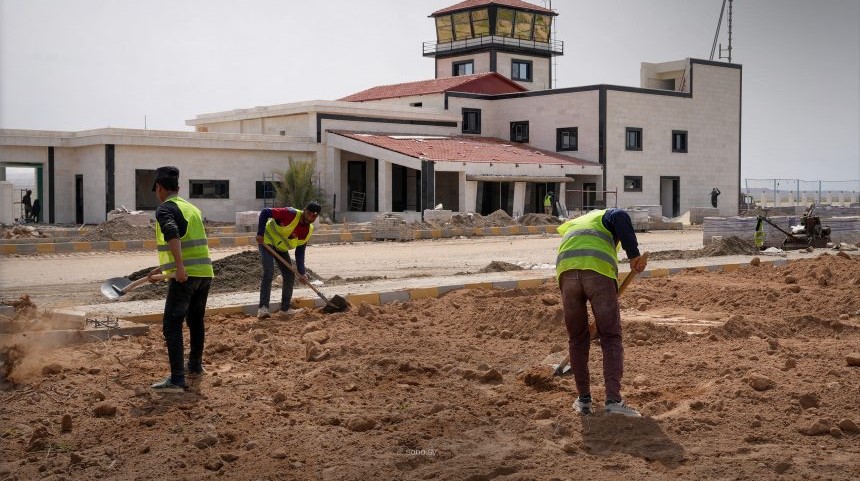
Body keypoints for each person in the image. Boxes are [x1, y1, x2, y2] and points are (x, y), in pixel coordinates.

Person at [556, 208, 647, 417]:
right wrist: (634, 255)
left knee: (577, 338)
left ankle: (584, 401)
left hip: (566, 271)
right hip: (597, 271)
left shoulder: (575, 223)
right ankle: (613, 400)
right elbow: (620, 216)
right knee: (610, 335)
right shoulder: (608, 214)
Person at [147, 166, 214, 393]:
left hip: (185, 277)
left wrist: (180, 268)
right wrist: (164, 268)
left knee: (171, 324)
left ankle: (177, 379)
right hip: (204, 273)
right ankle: (194, 365)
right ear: (178, 187)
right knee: (195, 320)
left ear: (159, 187)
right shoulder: (191, 208)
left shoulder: (165, 209)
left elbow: (173, 234)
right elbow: (189, 242)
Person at [255, 201, 321, 319]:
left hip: (281, 248)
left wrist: (301, 272)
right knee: (269, 272)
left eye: (314, 216)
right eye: (309, 214)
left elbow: (300, 252)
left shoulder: (307, 230)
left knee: (290, 275)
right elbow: (265, 212)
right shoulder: (290, 213)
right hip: (266, 241)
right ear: (304, 210)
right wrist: (260, 233)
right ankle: (263, 308)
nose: (310, 218)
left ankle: (285, 309)